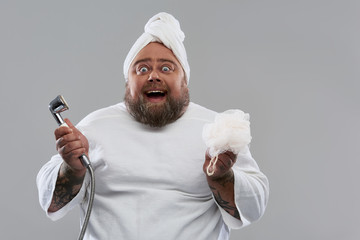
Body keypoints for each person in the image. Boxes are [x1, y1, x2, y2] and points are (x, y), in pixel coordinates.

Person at [37, 12, 269, 240]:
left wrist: (222, 177)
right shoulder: (94, 126)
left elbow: (254, 206)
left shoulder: (215, 131)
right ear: (128, 82)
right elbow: (50, 200)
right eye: (142, 69)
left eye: (166, 68)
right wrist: (72, 168)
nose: (153, 76)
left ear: (184, 80)